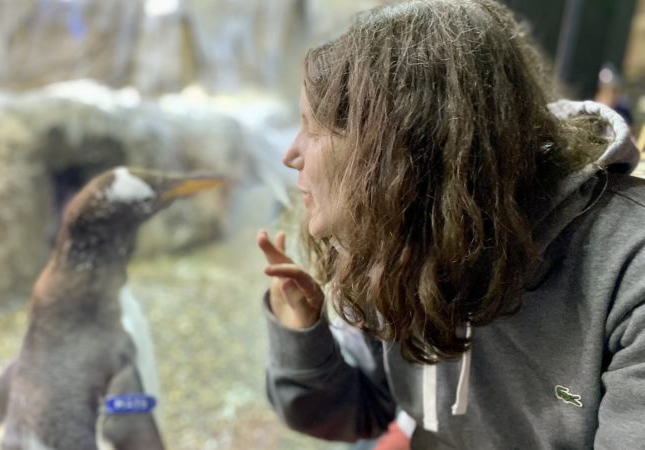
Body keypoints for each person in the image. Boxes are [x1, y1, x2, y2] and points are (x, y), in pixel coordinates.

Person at [255, 0, 644, 448]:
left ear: (405, 149)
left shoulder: (630, 268)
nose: (290, 154)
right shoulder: (403, 233)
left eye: (313, 128)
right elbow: (357, 415)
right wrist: (301, 336)